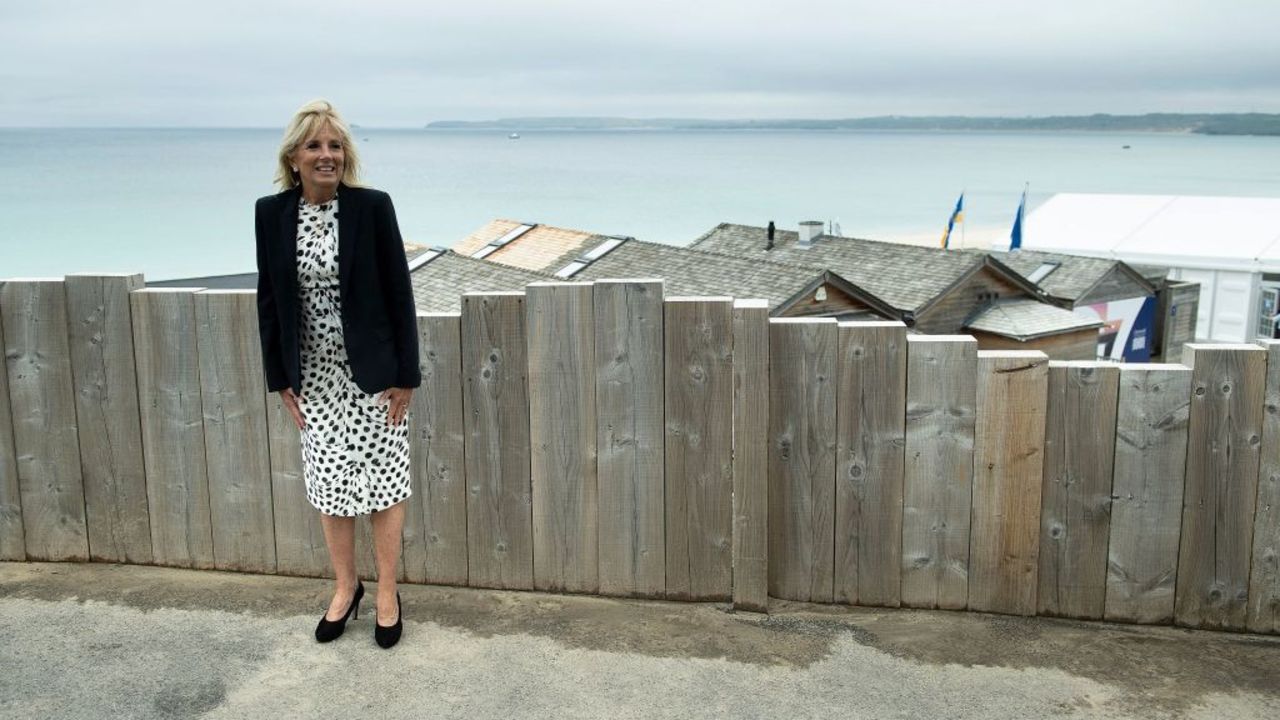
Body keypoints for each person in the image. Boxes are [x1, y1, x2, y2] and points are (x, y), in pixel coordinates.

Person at [254, 99, 420, 649]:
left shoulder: (372, 208)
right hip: (315, 379)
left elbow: (400, 291)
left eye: (334, 145)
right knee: (330, 486)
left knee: (384, 484)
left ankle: (389, 594)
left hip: (374, 376)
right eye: (314, 146)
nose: (327, 155)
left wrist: (406, 374)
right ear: (294, 157)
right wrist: (280, 377)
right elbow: (270, 302)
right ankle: (346, 589)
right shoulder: (270, 213)